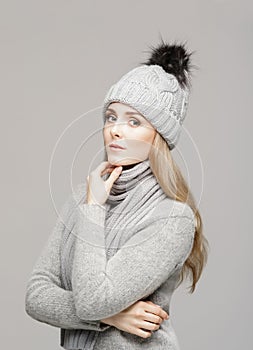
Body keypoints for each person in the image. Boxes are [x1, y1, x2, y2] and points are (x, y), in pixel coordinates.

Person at [25, 40, 209, 349]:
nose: (116, 130)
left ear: (159, 137)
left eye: (134, 121)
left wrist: (94, 209)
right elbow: (36, 295)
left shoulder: (172, 219)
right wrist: (111, 317)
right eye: (112, 117)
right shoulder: (83, 198)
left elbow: (94, 300)